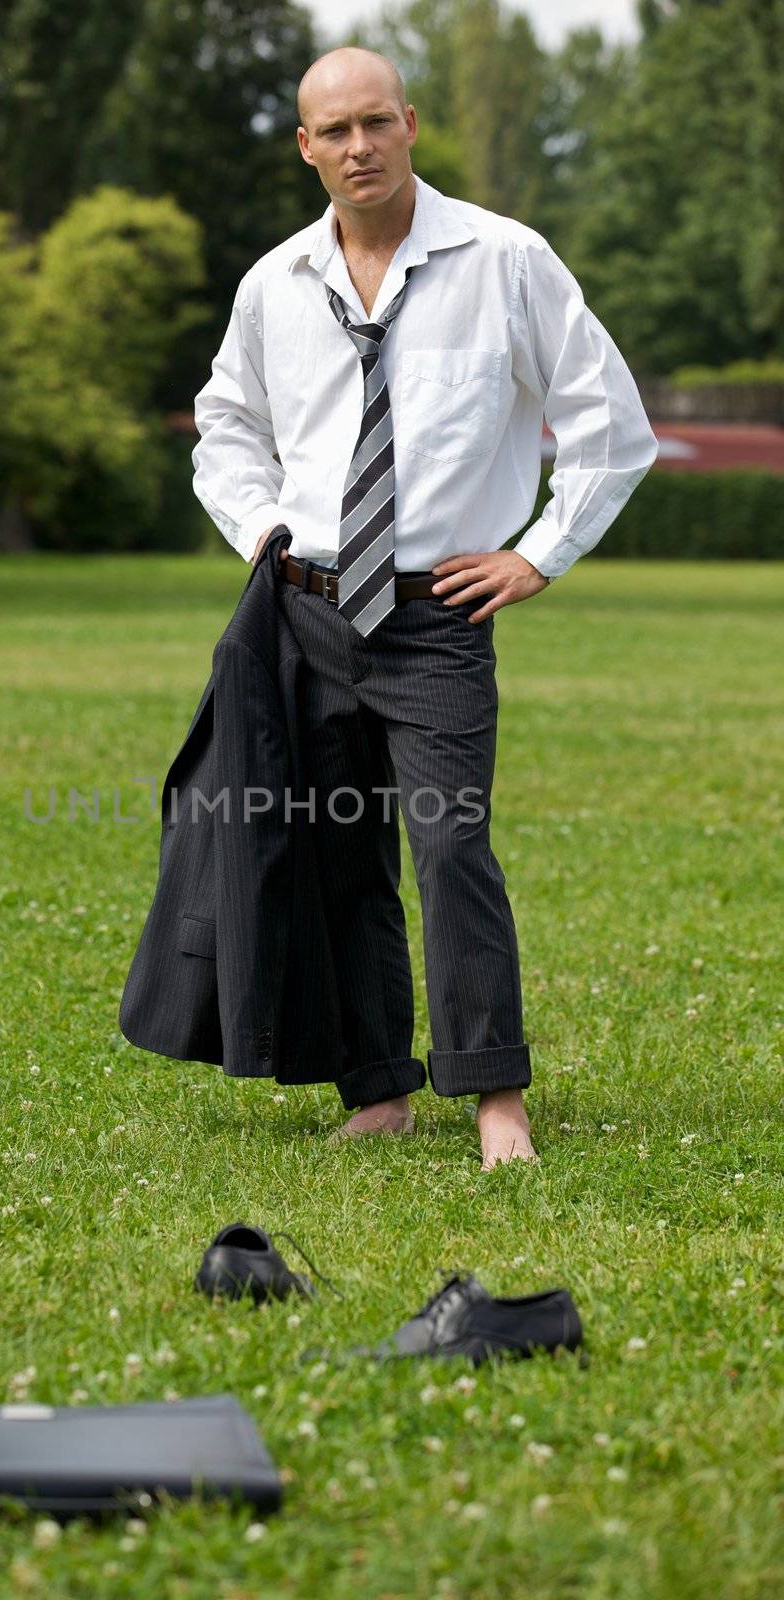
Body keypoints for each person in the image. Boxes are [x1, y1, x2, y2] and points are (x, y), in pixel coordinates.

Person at [190, 46, 659, 1169]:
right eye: (331, 132)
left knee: (451, 849)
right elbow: (225, 429)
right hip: (304, 611)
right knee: (338, 854)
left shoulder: (504, 260)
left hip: (436, 617)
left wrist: (537, 553)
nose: (357, 148)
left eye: (374, 124)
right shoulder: (274, 284)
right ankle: (378, 1087)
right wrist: (261, 529)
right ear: (303, 147)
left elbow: (608, 423)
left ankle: (493, 1092)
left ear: (409, 124)